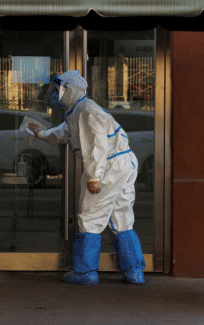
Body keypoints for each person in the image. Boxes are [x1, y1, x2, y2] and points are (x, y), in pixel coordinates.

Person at [28, 70, 146, 285]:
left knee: (90, 215)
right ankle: (134, 270)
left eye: (58, 88)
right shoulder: (79, 110)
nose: (55, 93)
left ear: (69, 89)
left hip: (108, 165)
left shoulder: (86, 111)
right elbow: (66, 132)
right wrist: (42, 134)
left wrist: (94, 177)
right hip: (122, 162)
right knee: (121, 216)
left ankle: (85, 272)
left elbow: (96, 148)